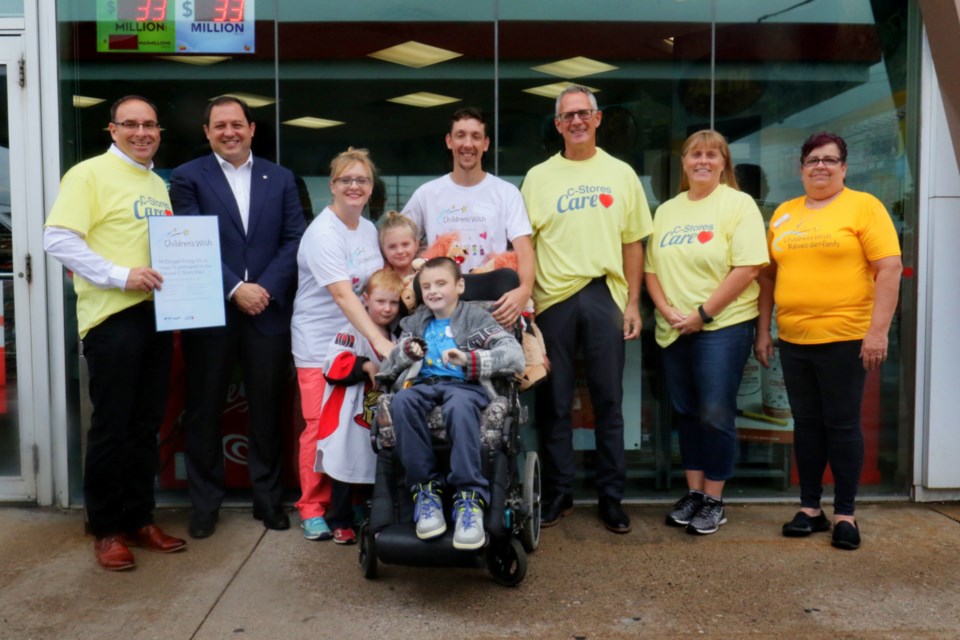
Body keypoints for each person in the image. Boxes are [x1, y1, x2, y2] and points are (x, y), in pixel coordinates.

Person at [43, 95, 186, 570]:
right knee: (111, 428)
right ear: (112, 129)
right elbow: (58, 238)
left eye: (150, 124)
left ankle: (138, 519)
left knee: (146, 427)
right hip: (112, 318)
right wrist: (119, 275)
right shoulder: (88, 175)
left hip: (156, 315)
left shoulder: (155, 183)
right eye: (131, 124)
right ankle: (105, 529)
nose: (142, 132)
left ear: (159, 132)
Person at [756, 132, 902, 551]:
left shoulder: (864, 207)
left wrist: (877, 332)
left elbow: (888, 270)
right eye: (812, 160)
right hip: (795, 338)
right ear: (800, 168)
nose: (820, 166)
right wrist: (764, 331)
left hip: (845, 337)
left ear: (844, 167)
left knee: (841, 424)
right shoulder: (784, 214)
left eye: (830, 160)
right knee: (806, 424)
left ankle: (845, 513)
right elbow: (768, 277)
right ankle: (809, 509)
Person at [169, 96, 306, 539]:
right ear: (207, 132)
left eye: (237, 124)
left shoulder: (280, 177)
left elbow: (294, 239)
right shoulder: (188, 177)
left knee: (266, 409)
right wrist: (235, 288)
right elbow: (189, 240)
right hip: (210, 310)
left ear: (251, 129)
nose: (229, 132)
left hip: (267, 311)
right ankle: (205, 503)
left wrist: (261, 289)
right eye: (219, 125)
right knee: (205, 408)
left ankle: (268, 500)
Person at [520, 84, 653, 534]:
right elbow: (527, 244)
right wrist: (526, 297)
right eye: (567, 116)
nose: (576, 121)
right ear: (558, 125)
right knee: (554, 404)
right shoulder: (538, 177)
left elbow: (633, 242)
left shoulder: (622, 173)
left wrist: (633, 302)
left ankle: (611, 497)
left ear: (598, 119)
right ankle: (559, 495)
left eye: (584, 114)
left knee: (608, 401)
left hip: (603, 294)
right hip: (552, 299)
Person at [644, 130, 769, 535]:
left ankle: (715, 498)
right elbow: (650, 271)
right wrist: (667, 311)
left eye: (711, 155)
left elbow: (749, 267)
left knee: (715, 413)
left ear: (723, 163)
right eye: (695, 154)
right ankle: (694, 493)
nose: (703, 161)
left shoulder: (738, 204)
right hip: (675, 328)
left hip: (723, 325)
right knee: (687, 413)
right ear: (684, 163)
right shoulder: (666, 211)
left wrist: (702, 313)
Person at [376, 257, 524, 550]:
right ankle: (425, 491)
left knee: (458, 405)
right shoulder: (417, 321)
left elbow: (514, 355)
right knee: (403, 401)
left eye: (441, 283)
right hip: (423, 386)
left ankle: (470, 497)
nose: (432, 291)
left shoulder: (477, 317)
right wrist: (407, 352)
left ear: (459, 285)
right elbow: (389, 366)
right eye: (426, 285)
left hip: (465, 386)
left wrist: (470, 359)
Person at [292, 147, 393, 541]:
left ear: (370, 189)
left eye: (362, 180)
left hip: (358, 346)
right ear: (332, 186)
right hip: (320, 345)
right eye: (346, 180)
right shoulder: (323, 233)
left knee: (353, 427)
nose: (355, 186)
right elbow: (342, 295)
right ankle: (311, 506)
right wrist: (380, 341)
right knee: (320, 428)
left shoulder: (367, 228)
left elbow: (375, 288)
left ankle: (344, 503)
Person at [402, 107, 534, 326]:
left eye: (476, 137)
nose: (468, 144)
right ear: (449, 141)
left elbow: (525, 250)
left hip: (491, 303)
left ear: (486, 144)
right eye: (460, 135)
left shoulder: (506, 192)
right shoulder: (427, 193)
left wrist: (524, 291)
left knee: (508, 279)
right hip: (440, 305)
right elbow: (399, 242)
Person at [315, 268, 403, 545]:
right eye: (381, 301)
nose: (387, 309)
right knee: (345, 465)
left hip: (382, 416)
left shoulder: (397, 336)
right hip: (348, 417)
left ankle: (377, 516)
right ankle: (339, 519)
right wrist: (364, 364)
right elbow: (331, 366)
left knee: (379, 465)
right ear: (365, 299)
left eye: (393, 302)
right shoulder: (350, 331)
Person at [379, 211, 419, 280]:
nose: (400, 251)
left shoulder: (427, 277)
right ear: (383, 251)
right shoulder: (379, 283)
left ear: (416, 245)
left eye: (405, 244)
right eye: (392, 247)